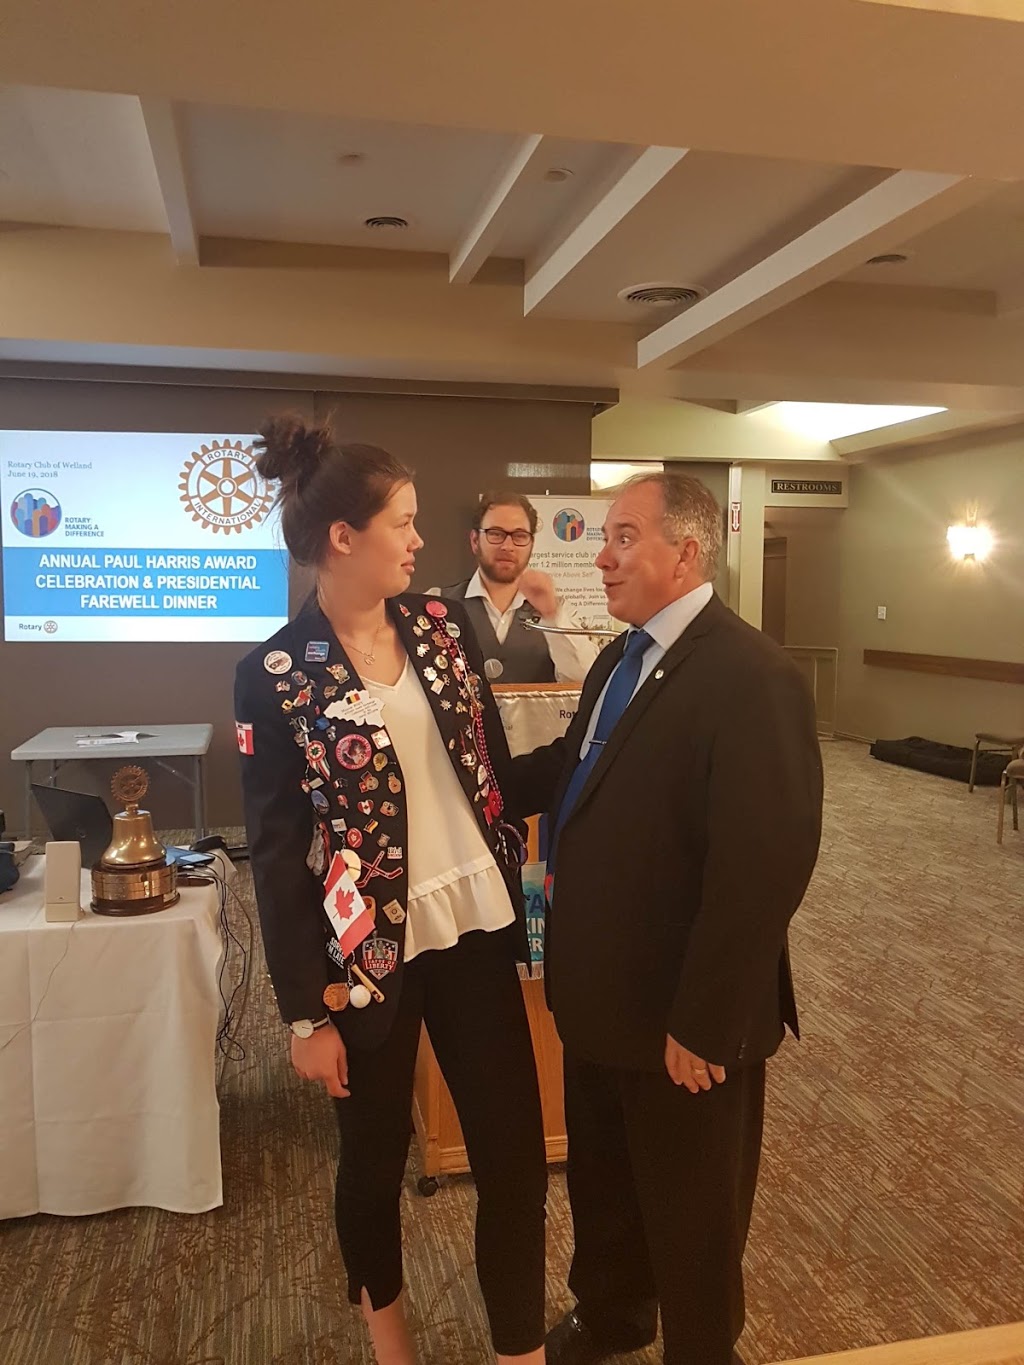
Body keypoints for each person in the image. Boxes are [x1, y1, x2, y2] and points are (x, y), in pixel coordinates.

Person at [234, 417, 547, 1365]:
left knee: (515, 1160)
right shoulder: (275, 675)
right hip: (364, 961)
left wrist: (601, 743)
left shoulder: (443, 628)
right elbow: (276, 855)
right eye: (402, 522)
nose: (417, 540)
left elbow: (491, 773)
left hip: (475, 927)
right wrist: (305, 1015)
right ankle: (391, 1345)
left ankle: (521, 1350)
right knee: (371, 1165)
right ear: (343, 536)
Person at [511, 473, 823, 1365]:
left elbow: (765, 866)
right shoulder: (620, 657)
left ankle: (700, 1346)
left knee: (694, 1204)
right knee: (605, 1180)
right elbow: (575, 769)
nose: (602, 559)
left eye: (623, 538)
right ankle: (613, 1314)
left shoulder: (753, 675)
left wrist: (707, 1019)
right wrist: (468, 781)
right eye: (605, 538)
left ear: (685, 552)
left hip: (686, 1012)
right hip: (602, 994)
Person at [441, 491, 599, 684]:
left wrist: (553, 616)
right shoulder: (439, 605)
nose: (508, 546)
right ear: (475, 541)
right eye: (496, 534)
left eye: (520, 536)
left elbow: (585, 679)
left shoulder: (560, 611)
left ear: (531, 544)